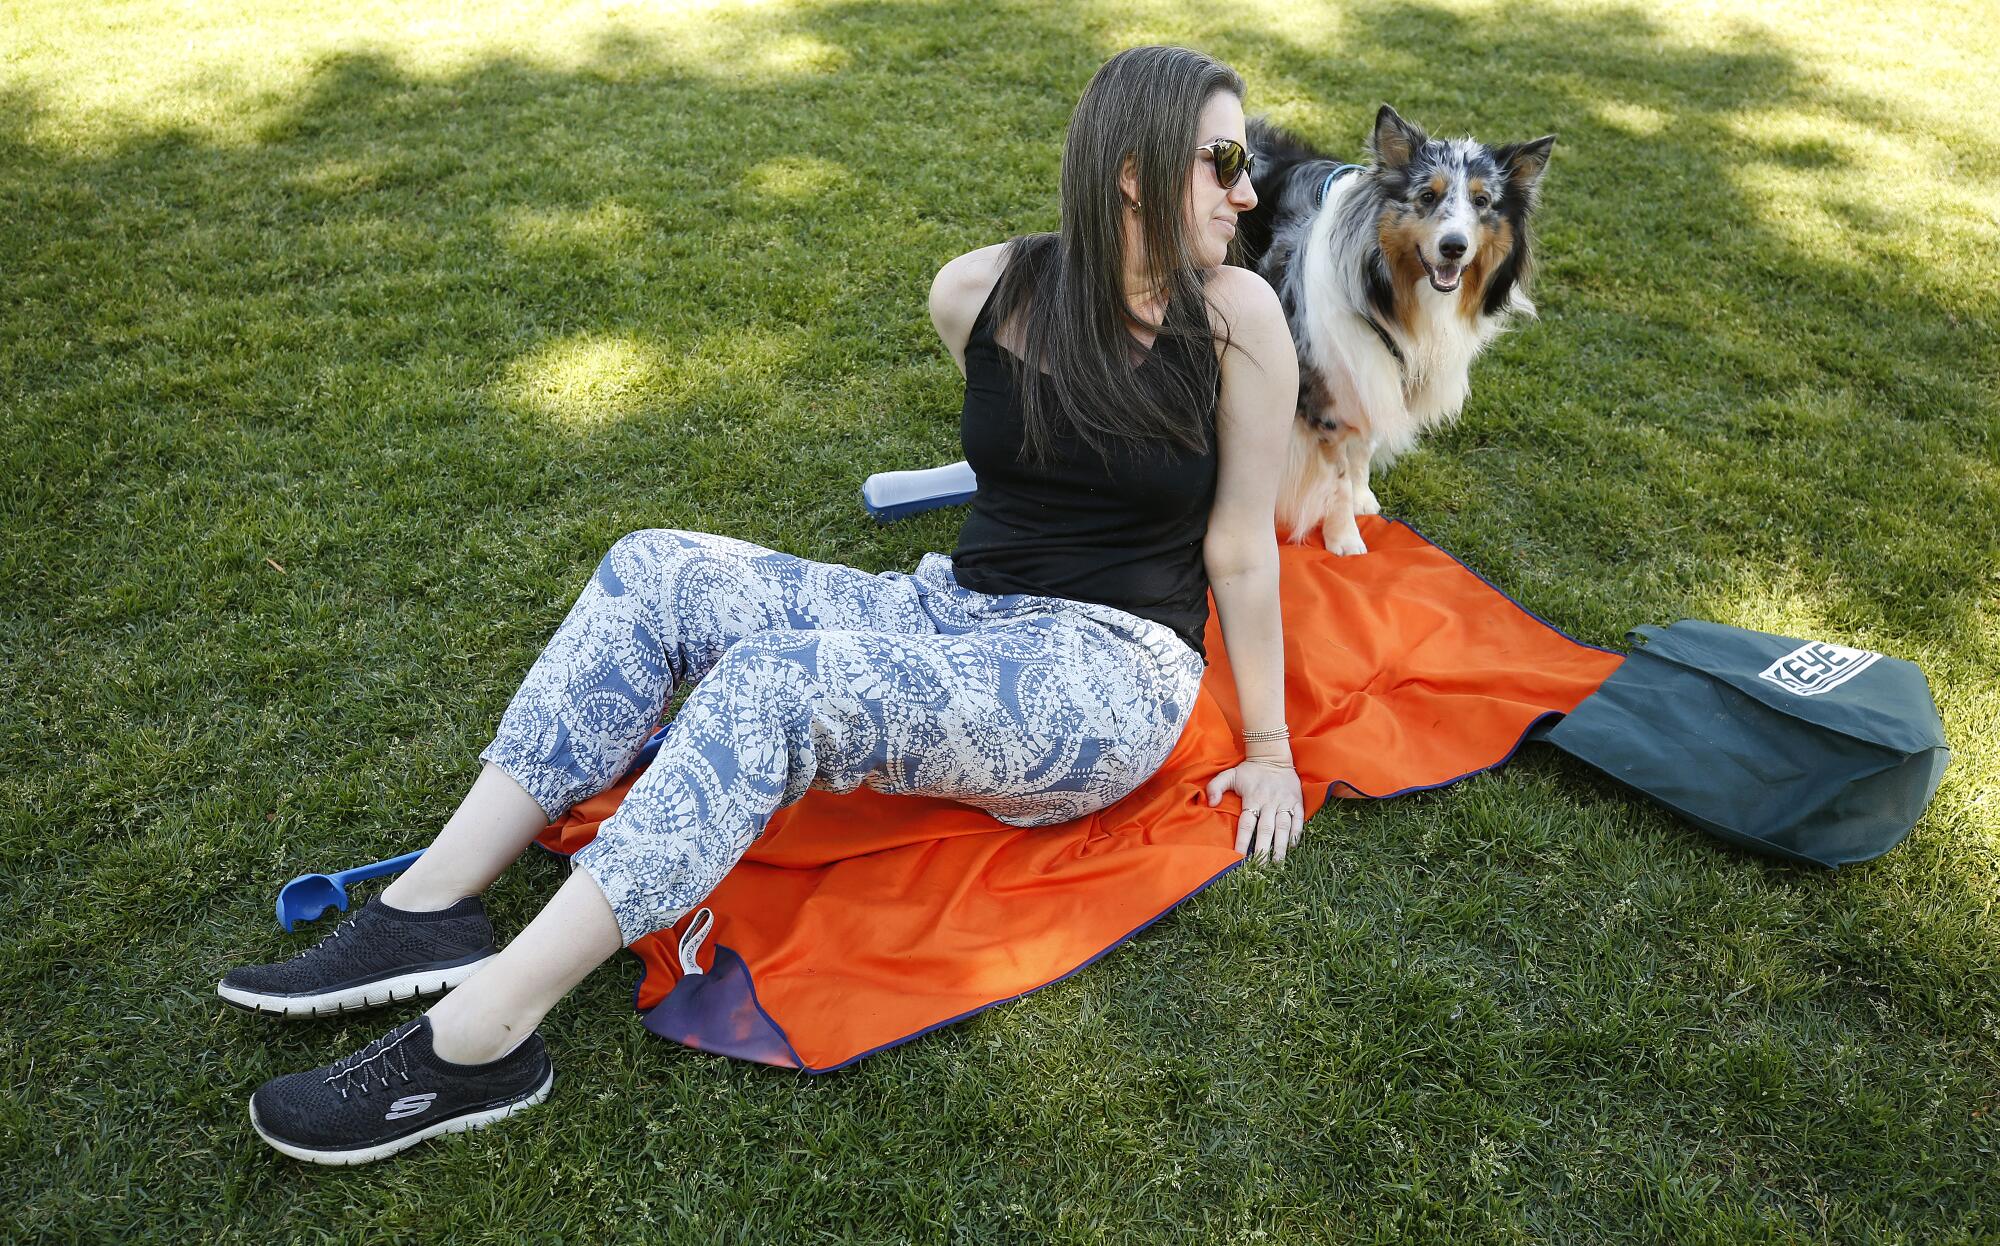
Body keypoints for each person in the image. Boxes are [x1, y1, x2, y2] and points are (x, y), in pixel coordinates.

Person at [219, 44, 1303, 1165]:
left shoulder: (1236, 320)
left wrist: (1266, 744)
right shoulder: (979, 291)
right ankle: (428, 905)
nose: (1247, 191)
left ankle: (484, 1034)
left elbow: (1237, 546)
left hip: (1108, 674)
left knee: (778, 686)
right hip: (956, 611)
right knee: (656, 566)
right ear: (1131, 170)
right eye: (1222, 161)